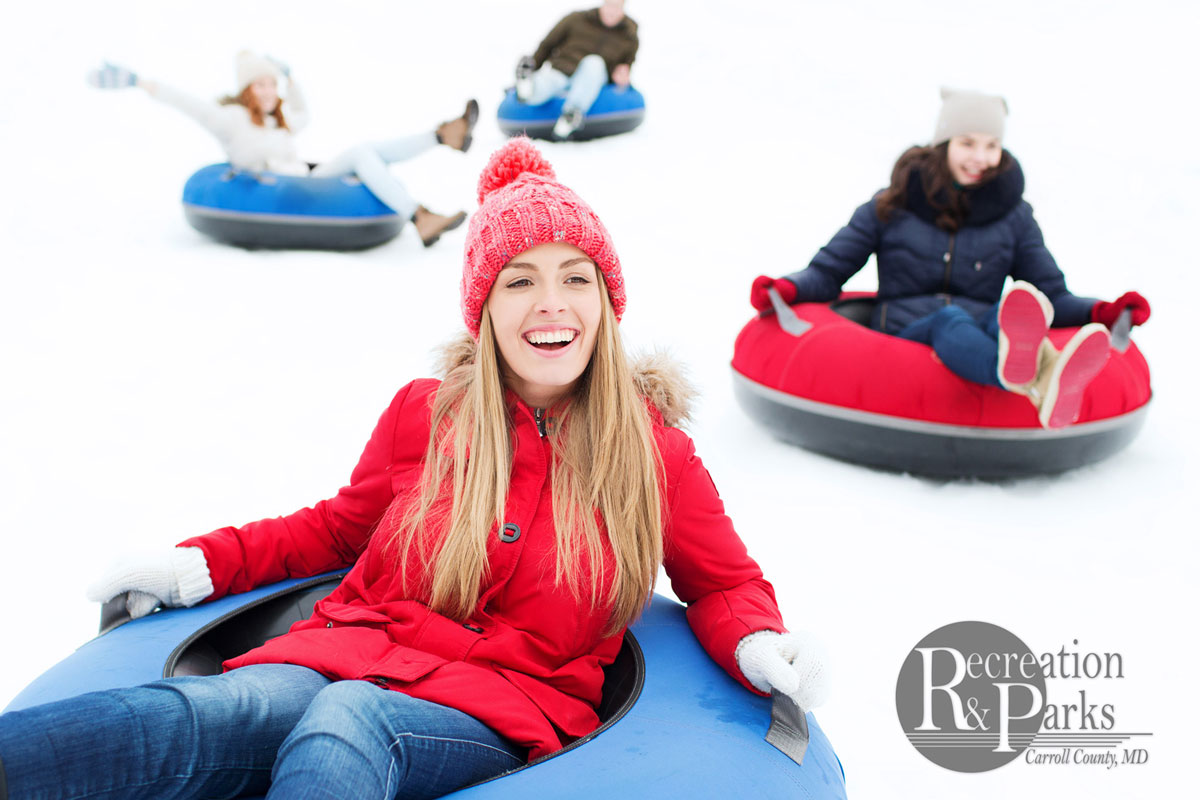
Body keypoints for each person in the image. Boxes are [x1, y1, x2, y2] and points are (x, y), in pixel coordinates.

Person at [0, 138, 829, 800]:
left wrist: (758, 642)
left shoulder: (652, 456)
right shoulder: (426, 416)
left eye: (576, 279)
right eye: (521, 281)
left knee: (347, 726)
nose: (552, 304)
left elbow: (723, 583)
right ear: (485, 308)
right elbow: (333, 531)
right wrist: (198, 564)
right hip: (351, 652)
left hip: (502, 702)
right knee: (214, 710)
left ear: (606, 305)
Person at [750, 88, 1151, 429]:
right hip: (904, 335)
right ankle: (1030, 379)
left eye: (992, 146)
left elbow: (1051, 296)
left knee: (1006, 311)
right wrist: (786, 288)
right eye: (968, 143)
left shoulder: (1014, 217)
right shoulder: (891, 205)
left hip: (981, 327)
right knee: (949, 318)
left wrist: (1102, 310)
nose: (981, 157)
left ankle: (1040, 375)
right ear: (944, 144)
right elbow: (829, 270)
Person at [87, 52, 479, 247]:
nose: (268, 91)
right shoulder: (231, 120)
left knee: (369, 151)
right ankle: (421, 215)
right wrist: (139, 82)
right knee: (363, 153)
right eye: (260, 85)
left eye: (270, 85)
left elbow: (304, 110)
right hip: (282, 188)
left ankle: (443, 135)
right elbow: (189, 104)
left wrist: (289, 78)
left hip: (306, 179)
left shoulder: (280, 118)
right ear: (246, 91)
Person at [513, 0, 638, 139]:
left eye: (616, 7)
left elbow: (626, 64)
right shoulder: (577, 19)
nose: (612, 11)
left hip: (592, 78)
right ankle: (528, 87)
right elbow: (548, 45)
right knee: (551, 81)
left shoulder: (629, 35)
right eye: (609, 5)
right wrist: (534, 64)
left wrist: (621, 75)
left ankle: (572, 115)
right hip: (563, 68)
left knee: (594, 63)